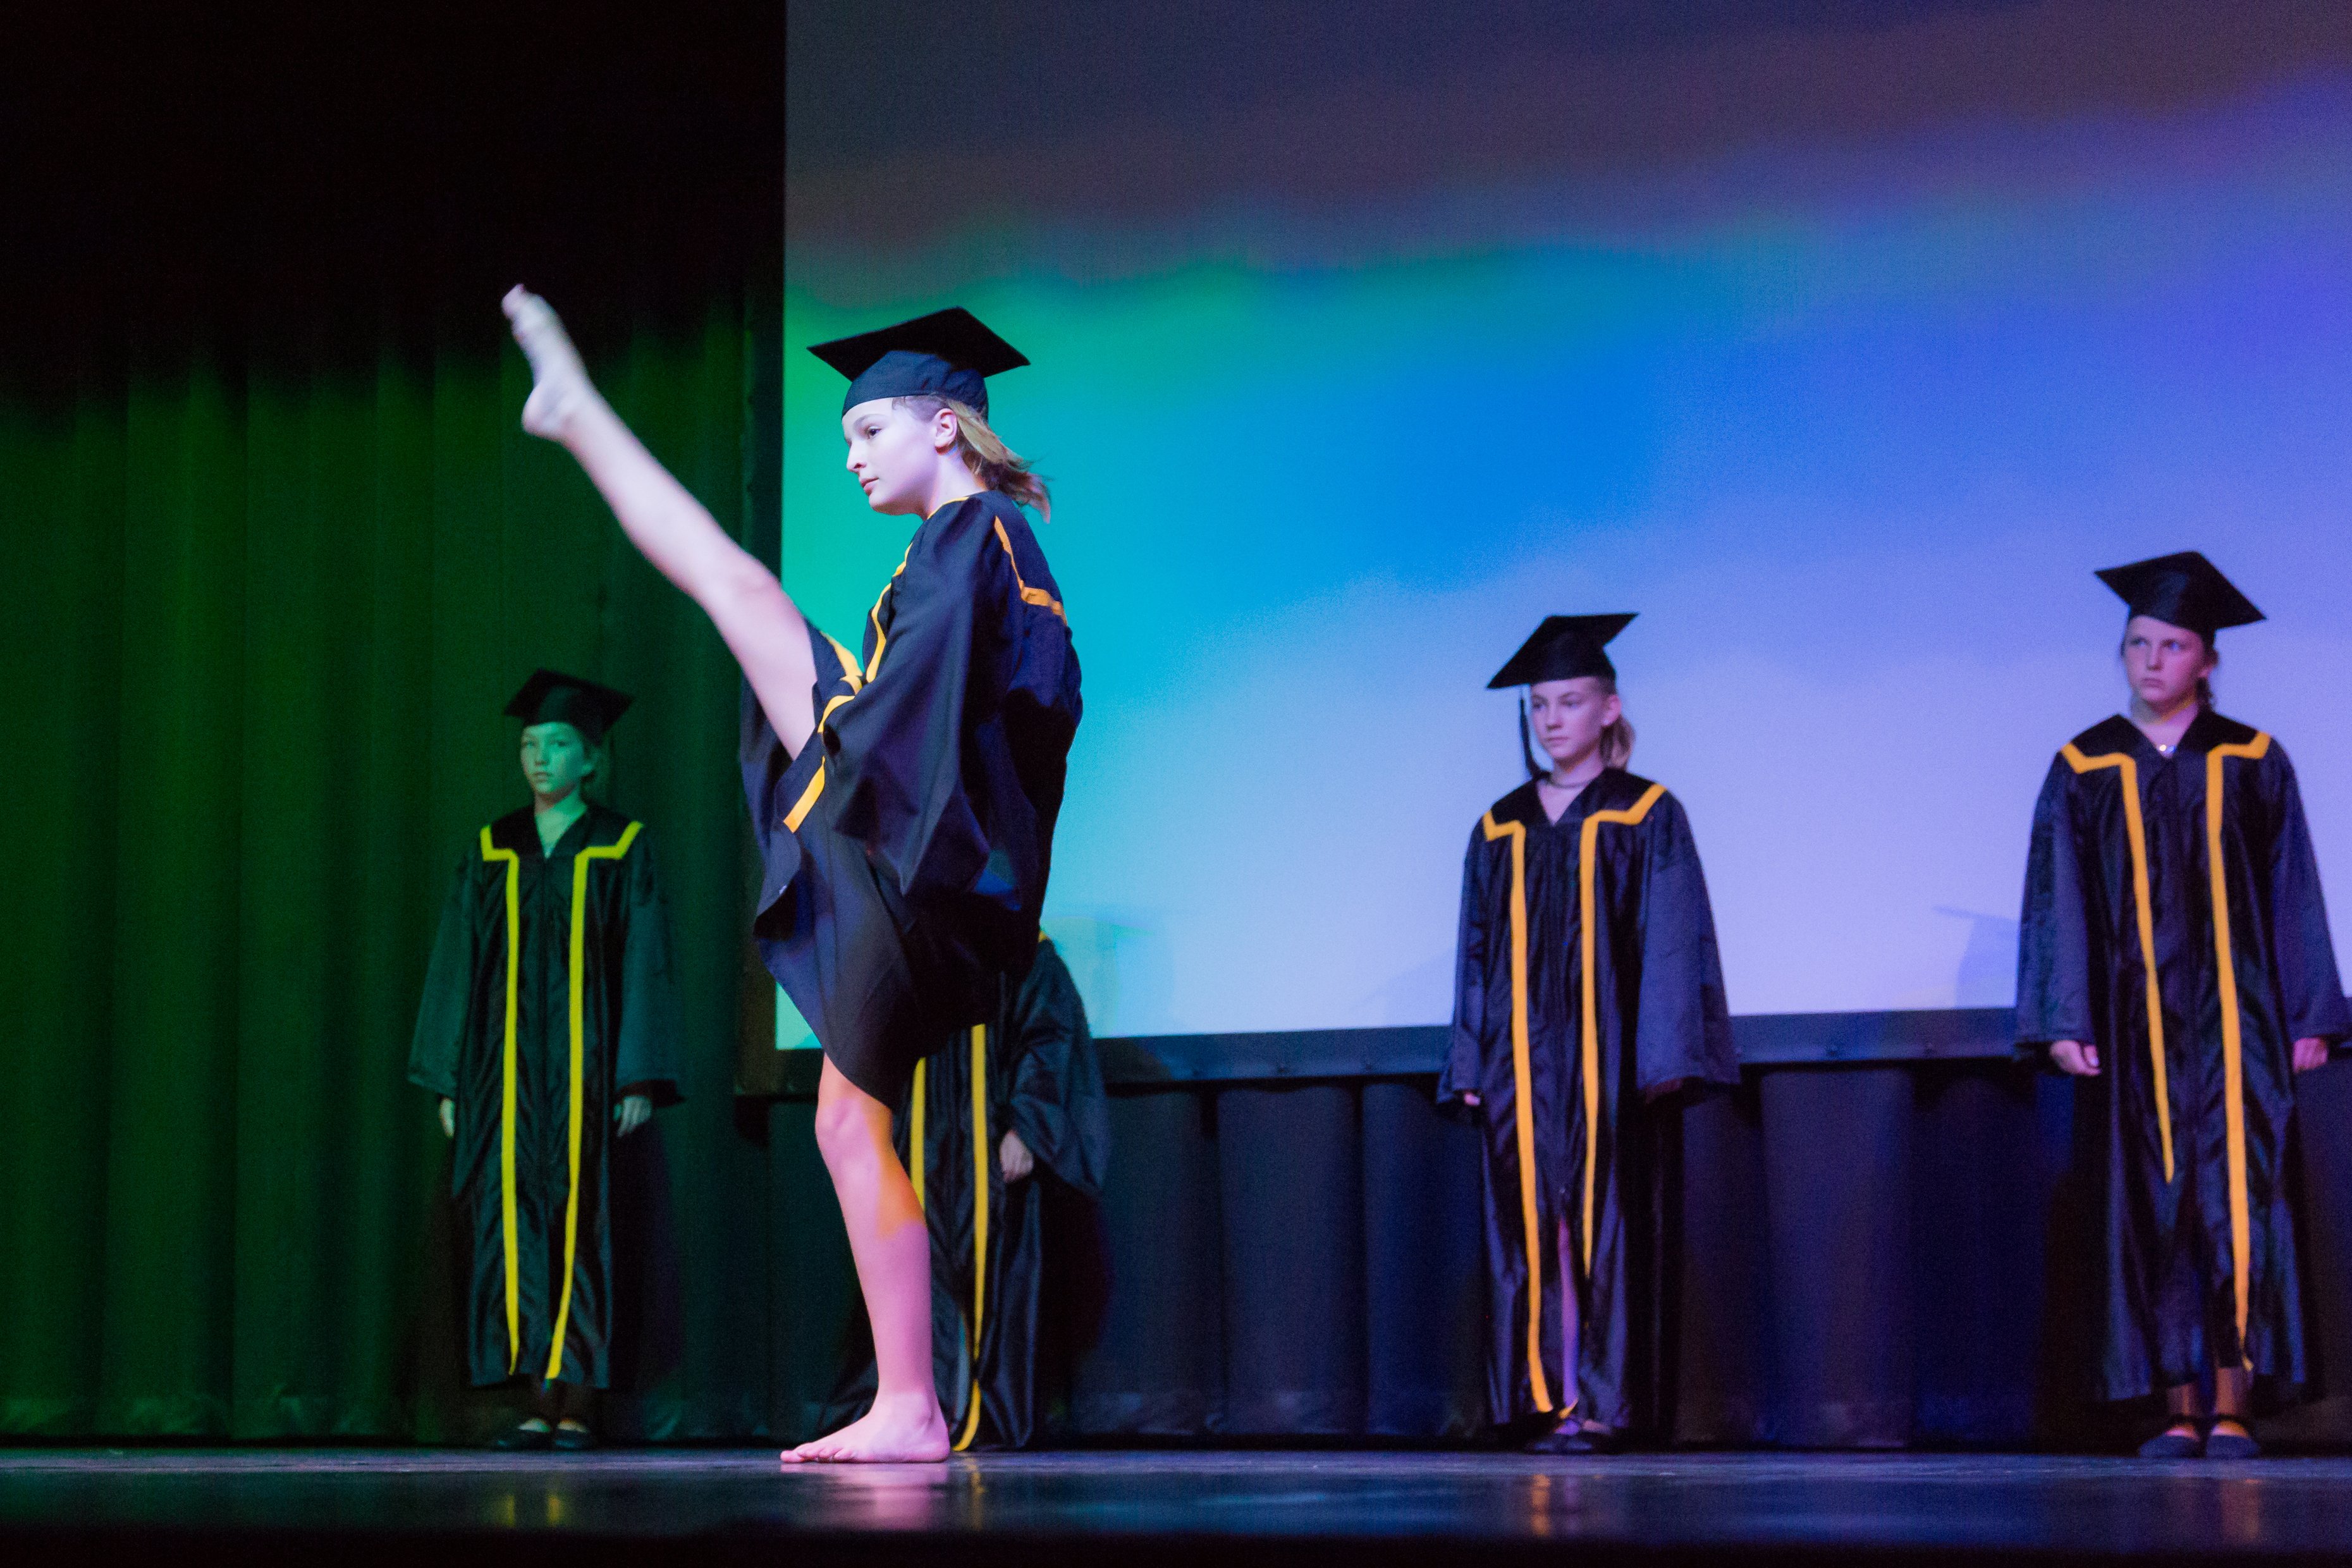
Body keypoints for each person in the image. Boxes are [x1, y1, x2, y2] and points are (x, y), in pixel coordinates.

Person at [501, 290, 1081, 1462]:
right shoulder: (977, 548)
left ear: (945, 427)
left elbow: (996, 700)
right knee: (845, 1123)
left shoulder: (975, 534)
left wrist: (846, 746)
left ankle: (912, 1404)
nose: (852, 456)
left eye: (870, 431)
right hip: (916, 847)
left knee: (739, 592)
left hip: (912, 853)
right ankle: (910, 1403)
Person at [2018, 551, 2347, 1459]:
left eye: (2171, 646)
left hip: (2243, 1025)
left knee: (2243, 1207)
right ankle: (2176, 1409)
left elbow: (2293, 888)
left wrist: (2313, 1013)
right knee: (2153, 1206)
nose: (2151, 661)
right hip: (2137, 1031)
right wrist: (2064, 1018)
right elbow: (2058, 898)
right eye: (2138, 644)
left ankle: (2234, 1407)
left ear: (2207, 659)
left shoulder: (2252, 758)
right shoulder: (2084, 765)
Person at [1442, 615, 1736, 1455]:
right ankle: (1551, 1398)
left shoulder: (1647, 813)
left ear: (1610, 708)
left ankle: (1606, 1404)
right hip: (1518, 1067)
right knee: (1535, 1228)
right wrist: (1470, 1058)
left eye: (1570, 701)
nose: (1552, 719)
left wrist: (1665, 1058)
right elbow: (1475, 951)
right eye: (1540, 705)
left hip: (1615, 1063)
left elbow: (1675, 941)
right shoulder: (1498, 827)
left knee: (1610, 1225)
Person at [409, 668, 682, 1450]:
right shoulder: (492, 848)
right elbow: (458, 962)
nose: (541, 757)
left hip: (590, 1080)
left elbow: (645, 963)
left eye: (559, 744)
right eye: (531, 744)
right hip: (502, 1080)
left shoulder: (622, 846)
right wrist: (450, 1077)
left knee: (584, 1223)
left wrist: (636, 1073)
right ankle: (534, 1397)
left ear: (590, 759)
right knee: (513, 1228)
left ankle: (579, 1402)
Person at [825, 936, 1111, 1450]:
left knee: (992, 1273)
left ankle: (986, 1411)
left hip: (993, 1150)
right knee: (915, 1271)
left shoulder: (1026, 954)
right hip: (919, 1140)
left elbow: (1048, 1040)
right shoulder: (909, 949)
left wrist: (1028, 1126)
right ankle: (910, 1409)